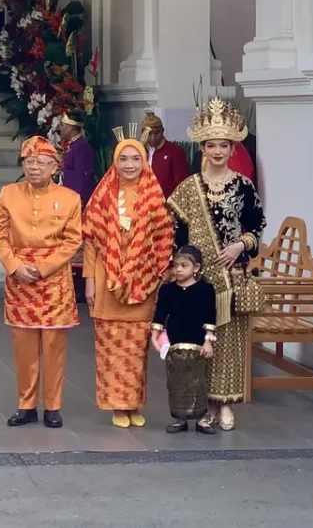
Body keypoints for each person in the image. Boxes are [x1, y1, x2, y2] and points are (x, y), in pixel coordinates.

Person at [167, 96, 266, 433]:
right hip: (198, 281)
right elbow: (177, 235)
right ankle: (202, 404)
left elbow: (256, 229)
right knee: (199, 343)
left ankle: (225, 404)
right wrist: (183, 268)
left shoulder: (244, 187)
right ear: (203, 148)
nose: (218, 151)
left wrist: (240, 244)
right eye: (212, 145)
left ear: (232, 147)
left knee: (228, 343)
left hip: (231, 277)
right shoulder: (187, 190)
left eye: (224, 145)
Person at [82, 127, 172, 428]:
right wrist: (90, 280)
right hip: (107, 281)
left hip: (143, 283)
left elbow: (163, 239)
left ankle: (133, 404)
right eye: (124, 159)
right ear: (115, 162)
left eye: (136, 159)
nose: (130, 165)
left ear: (144, 162)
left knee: (136, 349)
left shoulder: (154, 196)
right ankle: (116, 406)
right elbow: (91, 240)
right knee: (110, 347)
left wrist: (160, 278)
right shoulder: (103, 196)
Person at [0, 136, 82, 428]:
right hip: (19, 280)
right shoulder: (8, 194)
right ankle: (26, 404)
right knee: (24, 348)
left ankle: (53, 406)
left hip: (54, 280)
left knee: (54, 347)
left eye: (41, 163)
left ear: (54, 166)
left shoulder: (70, 198)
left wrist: (43, 267)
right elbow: (0, 236)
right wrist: (14, 266)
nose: (34, 168)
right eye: (28, 162)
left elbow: (72, 242)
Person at [152, 246, 217, 434]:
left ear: (196, 268)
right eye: (175, 265)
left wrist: (208, 341)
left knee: (198, 381)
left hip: (197, 343)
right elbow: (160, 314)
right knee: (176, 381)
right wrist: (155, 335)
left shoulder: (205, 290)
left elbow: (209, 317)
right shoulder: (167, 290)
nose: (178, 269)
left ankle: (201, 418)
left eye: (184, 265)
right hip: (175, 343)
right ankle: (180, 418)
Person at [141, 110, 190, 201]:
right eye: (149, 133)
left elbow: (181, 185)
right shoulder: (139, 152)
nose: (153, 137)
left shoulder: (175, 151)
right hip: (142, 205)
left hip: (166, 206)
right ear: (142, 133)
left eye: (157, 133)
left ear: (163, 131)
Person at [58, 111, 95, 208]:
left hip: (76, 202)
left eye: (62, 125)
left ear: (70, 127)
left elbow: (81, 177)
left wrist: (77, 200)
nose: (60, 129)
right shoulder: (74, 145)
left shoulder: (81, 147)